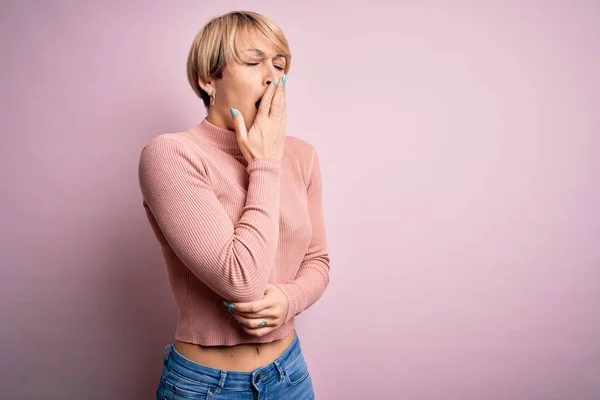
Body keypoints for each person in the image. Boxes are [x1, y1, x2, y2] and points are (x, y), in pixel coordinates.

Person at [138, 10, 330, 399]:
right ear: (207, 79)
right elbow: (240, 281)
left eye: (280, 64)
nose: (271, 76)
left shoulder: (303, 155)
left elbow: (318, 261)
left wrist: (290, 299)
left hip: (289, 375)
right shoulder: (171, 155)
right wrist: (264, 163)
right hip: (206, 386)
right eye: (253, 61)